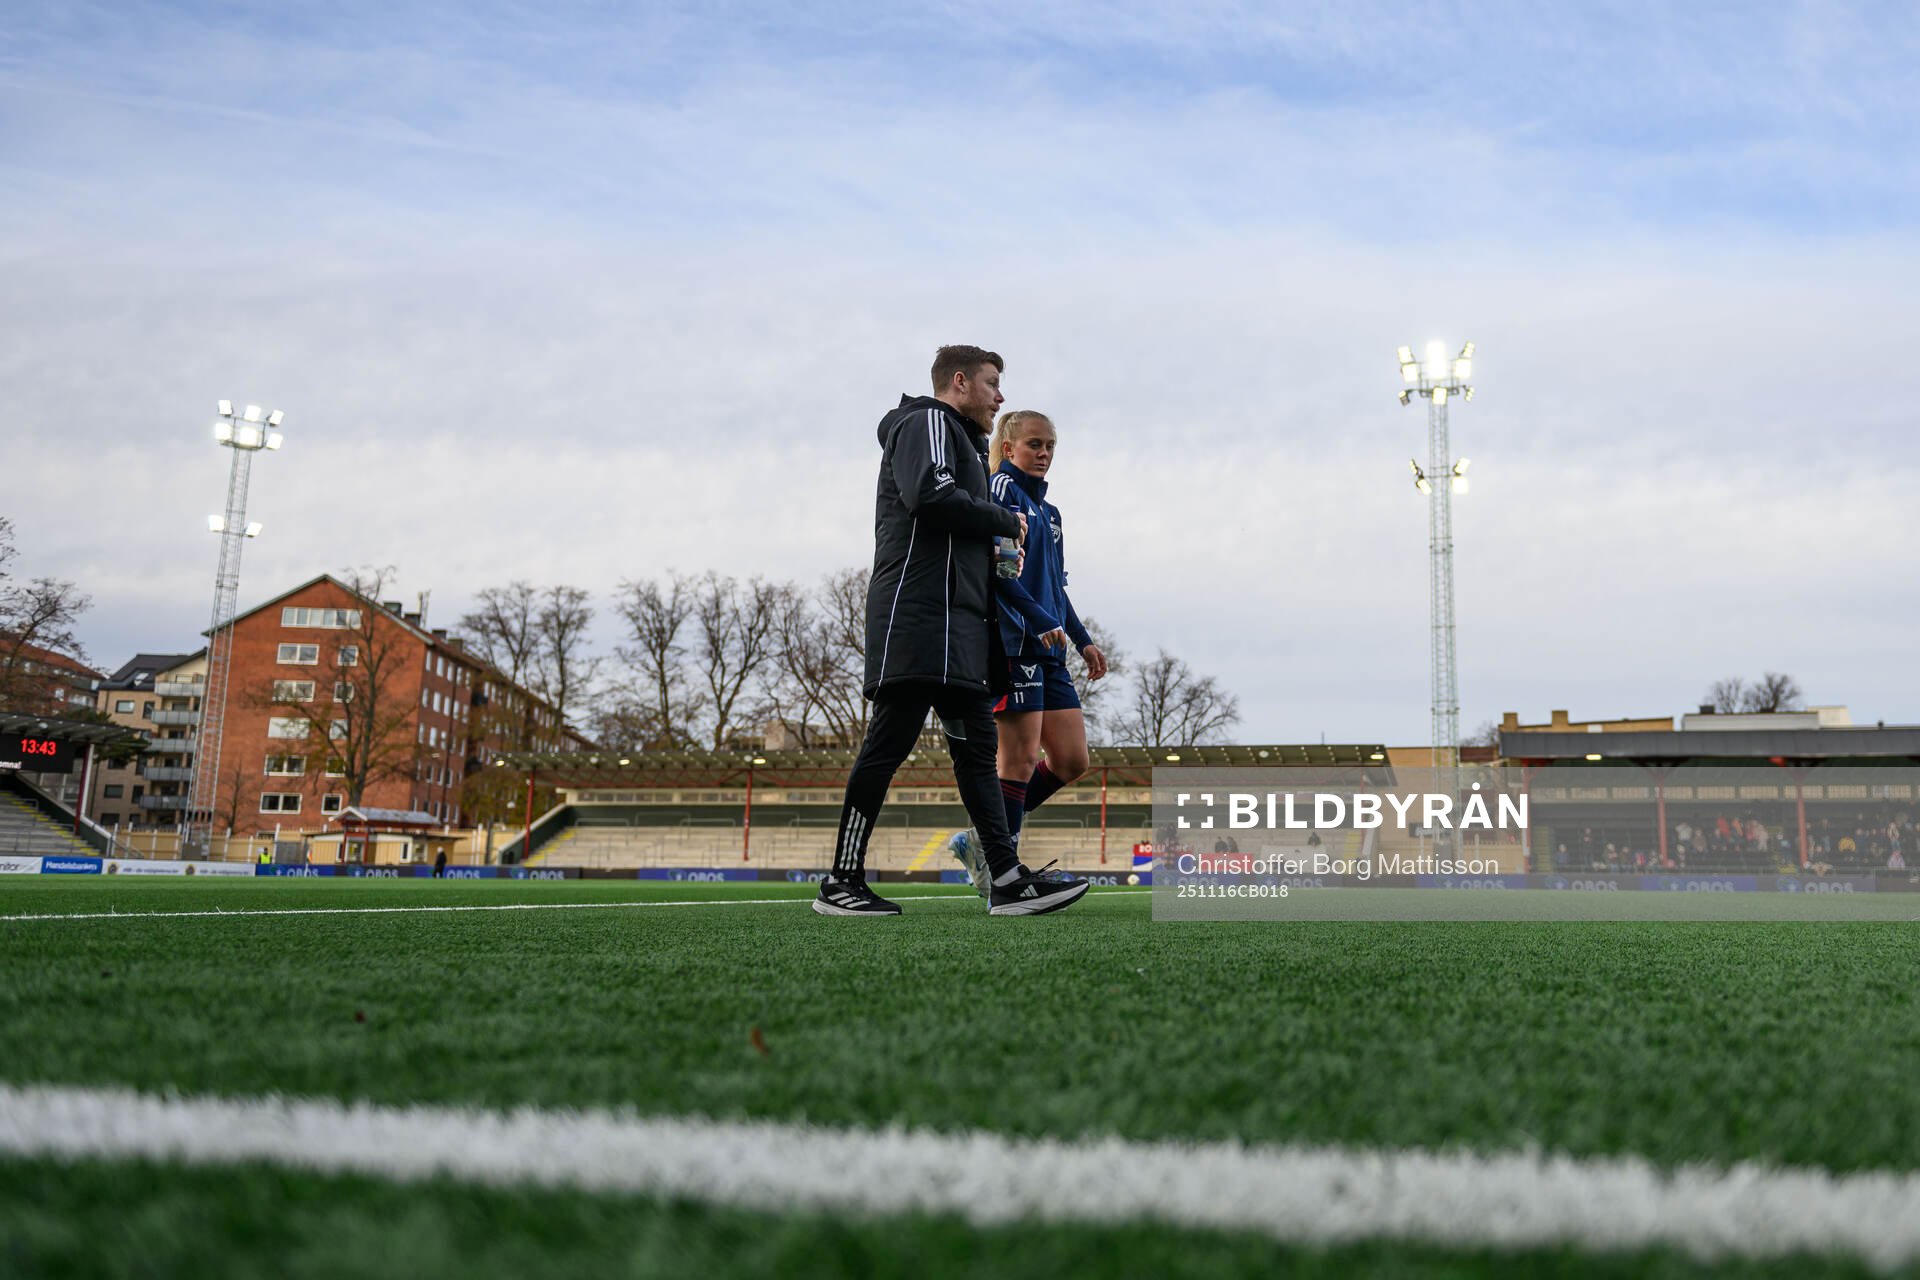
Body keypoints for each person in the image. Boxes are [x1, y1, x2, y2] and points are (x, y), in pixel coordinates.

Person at [814, 346, 1090, 917]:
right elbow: (932, 498)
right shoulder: (928, 421)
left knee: (976, 754)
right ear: (959, 383)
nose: (1000, 396)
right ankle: (841, 880)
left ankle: (1007, 878)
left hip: (959, 627)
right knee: (887, 746)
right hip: (916, 619)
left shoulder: (959, 441)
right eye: (992, 384)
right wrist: (1001, 519)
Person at [946, 410, 1109, 895]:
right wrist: (1040, 623)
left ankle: (982, 840)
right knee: (1015, 761)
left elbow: (1055, 588)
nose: (1043, 454)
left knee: (1072, 759)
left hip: (1050, 648)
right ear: (1009, 446)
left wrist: (1082, 640)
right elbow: (1001, 574)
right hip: (1015, 643)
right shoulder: (1001, 491)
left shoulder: (1052, 515)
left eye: (1050, 446)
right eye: (1035, 444)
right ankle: (1003, 868)